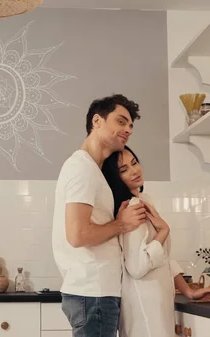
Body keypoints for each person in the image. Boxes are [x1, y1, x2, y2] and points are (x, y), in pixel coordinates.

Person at [52, 94, 146, 337]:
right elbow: (78, 235)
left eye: (131, 126)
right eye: (121, 121)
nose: (128, 130)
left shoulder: (92, 169)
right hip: (93, 293)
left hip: (95, 293)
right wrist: (121, 224)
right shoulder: (81, 167)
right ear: (97, 121)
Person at [101, 146, 210, 337]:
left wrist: (187, 291)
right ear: (116, 178)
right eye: (124, 170)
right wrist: (164, 231)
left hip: (157, 300)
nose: (135, 170)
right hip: (144, 304)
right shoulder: (133, 207)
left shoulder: (145, 200)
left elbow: (163, 257)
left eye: (134, 162)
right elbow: (137, 266)